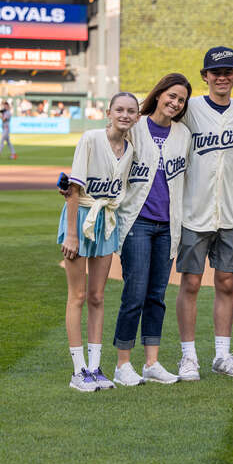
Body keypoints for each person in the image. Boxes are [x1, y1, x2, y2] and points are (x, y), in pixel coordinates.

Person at [175, 47, 233, 380]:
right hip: (194, 210)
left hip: (232, 212)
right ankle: (188, 357)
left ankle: (222, 356)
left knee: (226, 283)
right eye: (216, 72)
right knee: (192, 283)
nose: (222, 77)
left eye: (228, 71)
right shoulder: (191, 109)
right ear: (205, 76)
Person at [113, 74, 192, 386]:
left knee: (157, 296)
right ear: (159, 94)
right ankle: (123, 364)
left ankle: (152, 362)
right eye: (171, 96)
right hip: (138, 223)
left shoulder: (183, 134)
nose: (174, 103)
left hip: (167, 226)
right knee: (134, 293)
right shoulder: (136, 127)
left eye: (181, 100)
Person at [58, 92, 139, 391]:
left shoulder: (130, 149)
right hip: (80, 218)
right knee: (77, 296)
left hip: (106, 222)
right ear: (108, 112)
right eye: (119, 109)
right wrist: (71, 234)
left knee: (97, 297)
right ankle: (78, 370)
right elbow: (73, 189)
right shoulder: (91, 139)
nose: (125, 115)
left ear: (137, 117)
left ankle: (95, 366)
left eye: (131, 111)